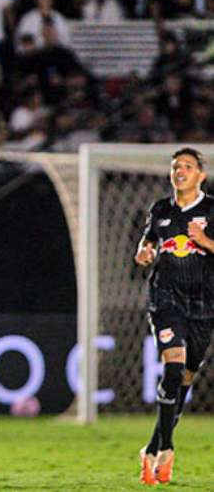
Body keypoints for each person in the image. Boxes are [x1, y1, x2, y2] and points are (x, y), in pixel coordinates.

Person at [134, 148, 214, 485]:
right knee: (173, 366)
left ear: (201, 175)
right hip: (166, 299)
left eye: (187, 166)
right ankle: (165, 447)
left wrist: (205, 241)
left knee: (184, 379)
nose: (180, 171)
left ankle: (151, 448)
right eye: (175, 167)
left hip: (204, 305)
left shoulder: (212, 209)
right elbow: (148, 240)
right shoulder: (160, 210)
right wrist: (143, 250)